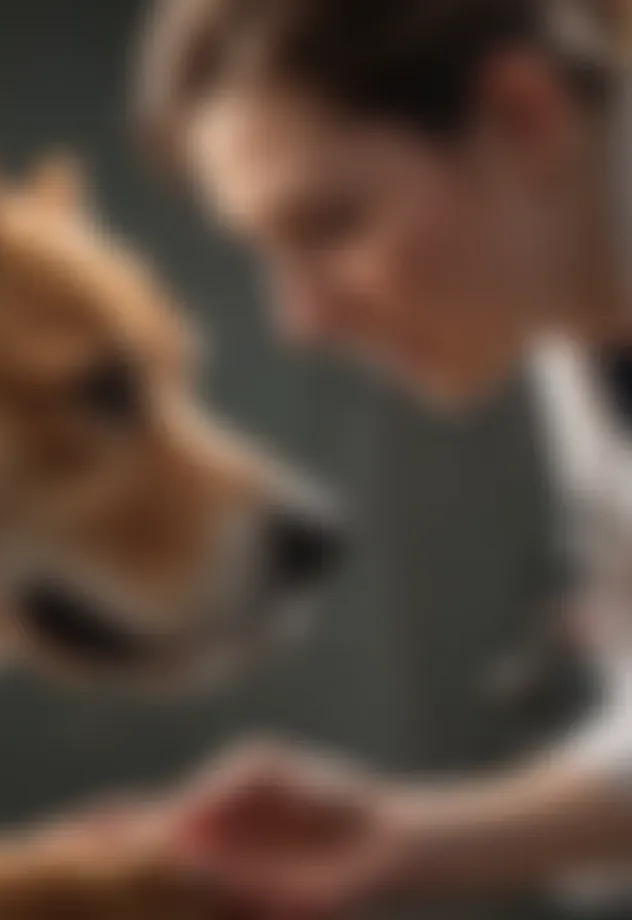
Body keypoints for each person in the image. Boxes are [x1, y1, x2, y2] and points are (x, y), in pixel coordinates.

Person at [129, 0, 632, 915]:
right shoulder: (568, 320)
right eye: (270, 253)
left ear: (526, 115)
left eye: (329, 226)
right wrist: (405, 839)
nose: (300, 318)